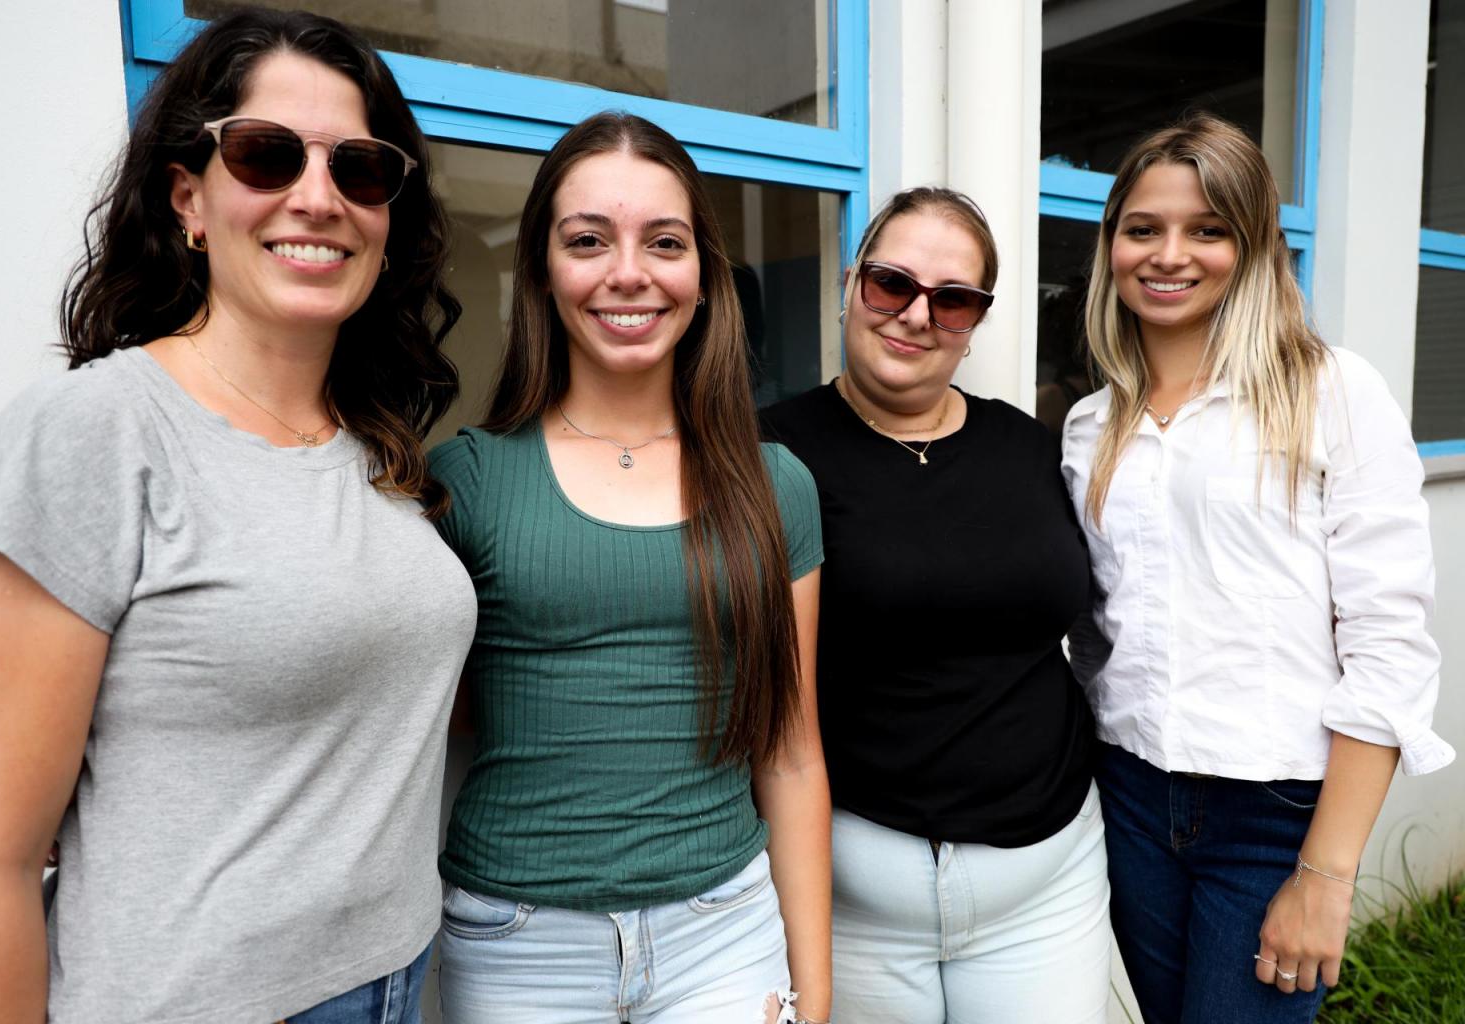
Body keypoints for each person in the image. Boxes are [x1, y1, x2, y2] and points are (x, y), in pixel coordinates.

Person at [0, 11, 475, 1023]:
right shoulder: (93, 433)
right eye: (267, 156)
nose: (317, 198)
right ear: (190, 196)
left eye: (359, 169)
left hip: (397, 978)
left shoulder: (373, 443)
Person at [427, 111, 831, 1024]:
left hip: (724, 933)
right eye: (588, 240)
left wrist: (816, 1000)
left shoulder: (775, 485)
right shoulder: (468, 480)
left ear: (702, 276)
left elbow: (793, 752)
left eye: (665, 241)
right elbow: (423, 733)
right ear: (542, 271)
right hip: (517, 945)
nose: (629, 272)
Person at [1062, 112, 1455, 1023]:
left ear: (1255, 246)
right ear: (1111, 244)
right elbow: (1095, 631)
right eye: (1143, 228)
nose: (1170, 255)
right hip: (1127, 797)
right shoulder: (1091, 426)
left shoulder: (1331, 391)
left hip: (1276, 816)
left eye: (1208, 230)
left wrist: (1326, 872)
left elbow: (1389, 645)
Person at [761, 187, 1111, 1023]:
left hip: (1046, 888)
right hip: (852, 902)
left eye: (952, 299)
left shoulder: (1030, 446)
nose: (917, 315)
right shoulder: (768, 452)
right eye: (892, 284)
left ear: (976, 320)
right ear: (851, 282)